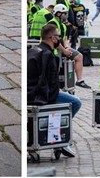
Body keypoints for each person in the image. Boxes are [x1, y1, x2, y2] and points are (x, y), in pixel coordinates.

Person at [28, 23, 78, 158]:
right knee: (75, 102)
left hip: (32, 92)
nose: (59, 40)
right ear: (53, 38)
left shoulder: (34, 50)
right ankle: (58, 136)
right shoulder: (48, 55)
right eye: (58, 37)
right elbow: (51, 82)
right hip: (42, 95)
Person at [47, 4, 91, 89]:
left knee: (79, 56)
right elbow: (55, 41)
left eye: (66, 13)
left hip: (61, 49)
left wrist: (67, 47)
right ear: (58, 13)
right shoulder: (52, 24)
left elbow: (64, 38)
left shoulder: (63, 25)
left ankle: (79, 80)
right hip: (52, 50)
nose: (66, 15)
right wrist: (64, 51)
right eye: (64, 13)